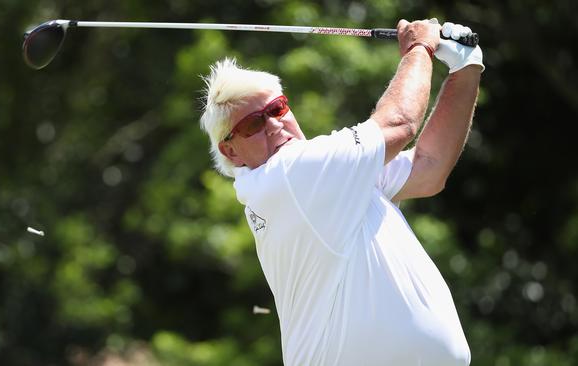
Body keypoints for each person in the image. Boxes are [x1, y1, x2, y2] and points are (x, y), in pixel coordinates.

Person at [199, 18, 483, 366]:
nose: (274, 124)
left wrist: (465, 69)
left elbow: (429, 169)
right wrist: (419, 48)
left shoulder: (325, 176)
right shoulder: (290, 173)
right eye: (253, 124)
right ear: (230, 151)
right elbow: (399, 122)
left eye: (277, 108)